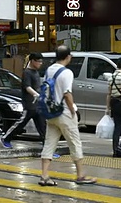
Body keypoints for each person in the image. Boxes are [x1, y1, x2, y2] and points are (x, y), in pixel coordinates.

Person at [39, 46, 96, 186]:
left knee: (49, 143)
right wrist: (73, 111)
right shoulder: (67, 73)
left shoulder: (49, 69)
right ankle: (80, 175)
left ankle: (44, 176)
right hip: (64, 112)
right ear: (68, 57)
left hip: (50, 112)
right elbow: (67, 94)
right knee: (75, 143)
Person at [0, 52, 47, 149]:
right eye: (39, 61)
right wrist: (35, 94)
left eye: (41, 61)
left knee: (43, 127)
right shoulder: (27, 73)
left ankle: (48, 149)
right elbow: (27, 87)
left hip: (38, 105)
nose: (40, 63)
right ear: (32, 61)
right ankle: (5, 138)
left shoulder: (36, 73)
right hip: (29, 104)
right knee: (21, 124)